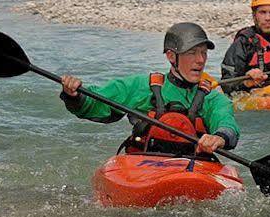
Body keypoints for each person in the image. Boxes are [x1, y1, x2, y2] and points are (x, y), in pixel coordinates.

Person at [59, 22, 239, 157]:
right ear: (171, 56)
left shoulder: (213, 99)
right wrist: (75, 95)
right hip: (145, 164)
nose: (200, 60)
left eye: (204, 53)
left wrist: (219, 138)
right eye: (192, 53)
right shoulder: (143, 86)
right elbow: (97, 100)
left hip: (193, 165)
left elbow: (226, 122)